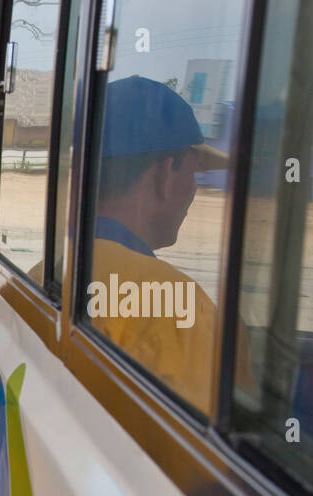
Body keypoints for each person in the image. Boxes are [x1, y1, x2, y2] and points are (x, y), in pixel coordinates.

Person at [87, 75, 253, 412]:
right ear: (165, 174)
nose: (194, 188)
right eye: (193, 173)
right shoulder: (180, 308)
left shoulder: (42, 272)